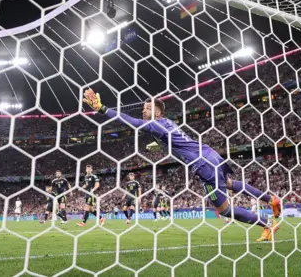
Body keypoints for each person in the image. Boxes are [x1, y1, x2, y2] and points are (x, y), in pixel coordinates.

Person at [83, 89, 281, 242]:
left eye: (148, 108)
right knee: (230, 183)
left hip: (203, 165)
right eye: (144, 107)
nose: (144, 110)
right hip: (210, 154)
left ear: (158, 112)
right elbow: (171, 139)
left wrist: (103, 109)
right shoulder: (167, 123)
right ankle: (270, 199)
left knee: (224, 210)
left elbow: (133, 123)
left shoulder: (156, 124)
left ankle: (267, 224)